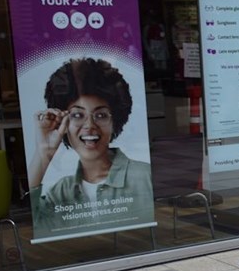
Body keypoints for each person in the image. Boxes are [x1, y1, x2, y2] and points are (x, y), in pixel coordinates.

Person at [27, 57, 153, 234]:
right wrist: (43, 153)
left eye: (101, 115)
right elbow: (32, 226)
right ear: (63, 123)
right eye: (77, 115)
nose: (89, 125)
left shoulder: (144, 177)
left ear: (115, 121)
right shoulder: (61, 191)